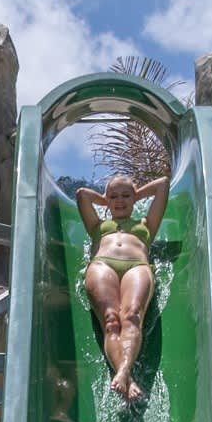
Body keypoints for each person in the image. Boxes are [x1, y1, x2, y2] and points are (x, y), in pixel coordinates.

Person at [75, 170, 168, 404]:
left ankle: (123, 372)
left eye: (126, 196)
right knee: (110, 320)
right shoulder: (97, 226)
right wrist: (106, 198)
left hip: (136, 266)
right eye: (114, 197)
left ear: (134, 198)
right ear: (107, 200)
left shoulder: (146, 225)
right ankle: (126, 376)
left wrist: (136, 193)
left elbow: (162, 185)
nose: (120, 201)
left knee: (133, 315)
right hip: (102, 265)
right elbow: (82, 194)